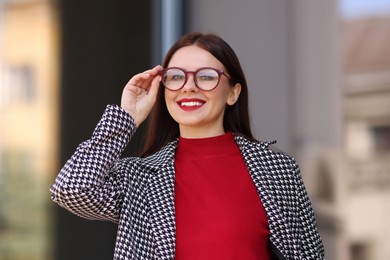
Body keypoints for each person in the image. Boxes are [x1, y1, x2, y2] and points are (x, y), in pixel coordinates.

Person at [50, 32, 325, 260]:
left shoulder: (278, 170)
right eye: (176, 76)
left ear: (233, 93)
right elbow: (72, 190)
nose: (188, 87)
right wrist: (126, 117)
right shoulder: (138, 177)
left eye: (206, 76)